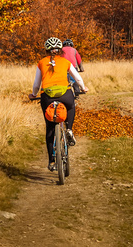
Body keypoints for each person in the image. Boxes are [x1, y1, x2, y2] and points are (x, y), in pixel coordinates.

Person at [28, 37, 88, 170]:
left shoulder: (41, 62)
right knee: (71, 106)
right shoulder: (66, 61)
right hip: (65, 94)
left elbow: (36, 84)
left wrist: (33, 94)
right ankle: (69, 129)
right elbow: (77, 77)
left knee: (50, 128)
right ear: (60, 50)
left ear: (47, 50)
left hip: (47, 97)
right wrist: (83, 88)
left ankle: (52, 162)